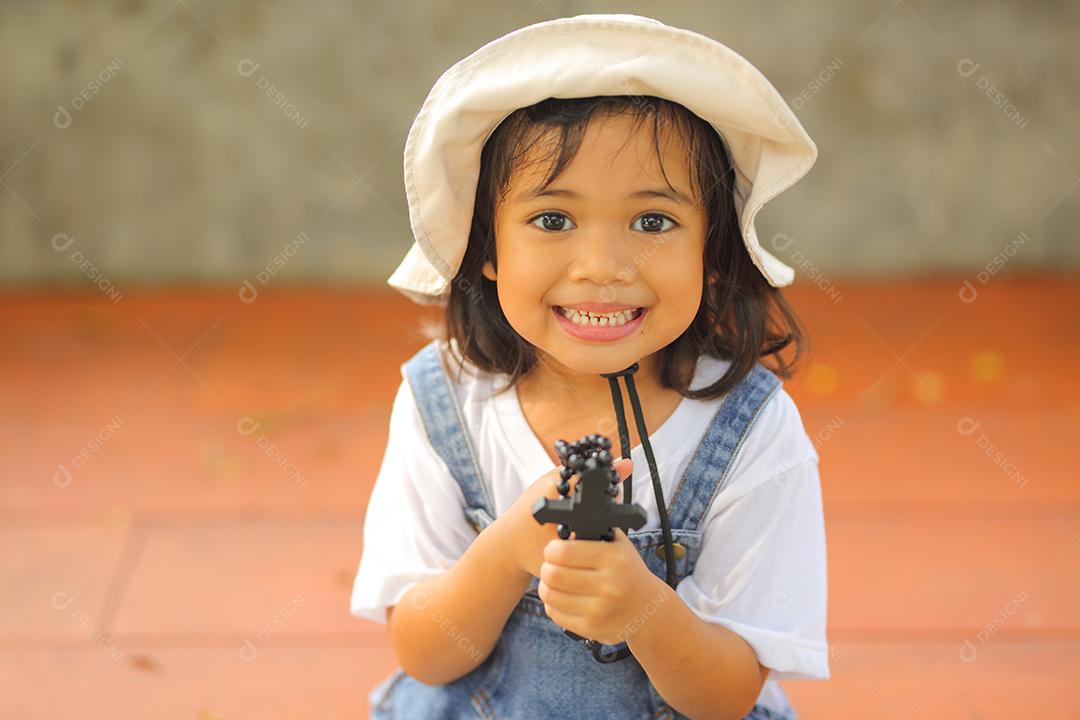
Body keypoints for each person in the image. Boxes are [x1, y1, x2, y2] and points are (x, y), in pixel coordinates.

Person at [350, 13, 829, 719]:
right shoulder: (443, 402)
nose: (603, 267)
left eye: (653, 222)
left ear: (713, 251)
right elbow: (423, 653)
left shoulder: (752, 434)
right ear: (485, 248)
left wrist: (643, 610)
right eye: (552, 220)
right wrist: (508, 549)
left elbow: (727, 695)